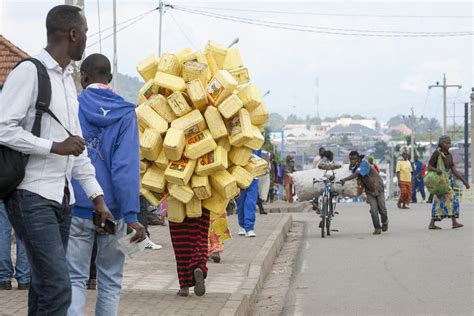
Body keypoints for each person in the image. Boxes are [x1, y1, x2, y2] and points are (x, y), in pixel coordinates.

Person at [0, 5, 114, 314]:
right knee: (58, 288)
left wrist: (97, 197)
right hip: (30, 194)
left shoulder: (67, 80)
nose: (87, 40)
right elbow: (2, 128)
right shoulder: (29, 71)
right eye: (86, 33)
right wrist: (53, 146)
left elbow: (77, 148)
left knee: (43, 286)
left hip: (61, 197)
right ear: (73, 34)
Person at [66, 53, 146, 316]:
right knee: (110, 280)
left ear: (83, 77)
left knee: (74, 278)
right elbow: (125, 167)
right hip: (115, 210)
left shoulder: (72, 106)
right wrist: (132, 213)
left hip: (77, 205)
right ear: (110, 79)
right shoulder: (126, 113)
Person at [340, 152, 388, 235]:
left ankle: (385, 221)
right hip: (369, 190)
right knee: (373, 210)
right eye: (351, 159)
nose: (352, 161)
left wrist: (345, 179)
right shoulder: (355, 168)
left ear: (358, 159)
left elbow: (357, 174)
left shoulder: (364, 164)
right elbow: (352, 172)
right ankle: (377, 227)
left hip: (378, 187)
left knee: (382, 208)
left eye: (354, 159)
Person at [427, 136, 470, 230]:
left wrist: (464, 181)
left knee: (453, 200)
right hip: (440, 182)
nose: (449, 144)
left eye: (449, 143)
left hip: (447, 182)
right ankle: (432, 223)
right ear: (441, 144)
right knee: (438, 202)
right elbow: (429, 165)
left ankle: (454, 222)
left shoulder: (449, 155)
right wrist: (436, 169)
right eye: (447, 143)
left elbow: (454, 170)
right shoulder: (437, 153)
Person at [169, 206, 210, 297]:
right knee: (200, 238)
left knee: (180, 244)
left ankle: (184, 286)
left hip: (176, 200)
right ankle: (199, 266)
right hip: (200, 202)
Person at [0, 201, 30, 290]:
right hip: (23, 191)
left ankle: (3, 278)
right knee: (24, 231)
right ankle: (24, 278)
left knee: (2, 231)